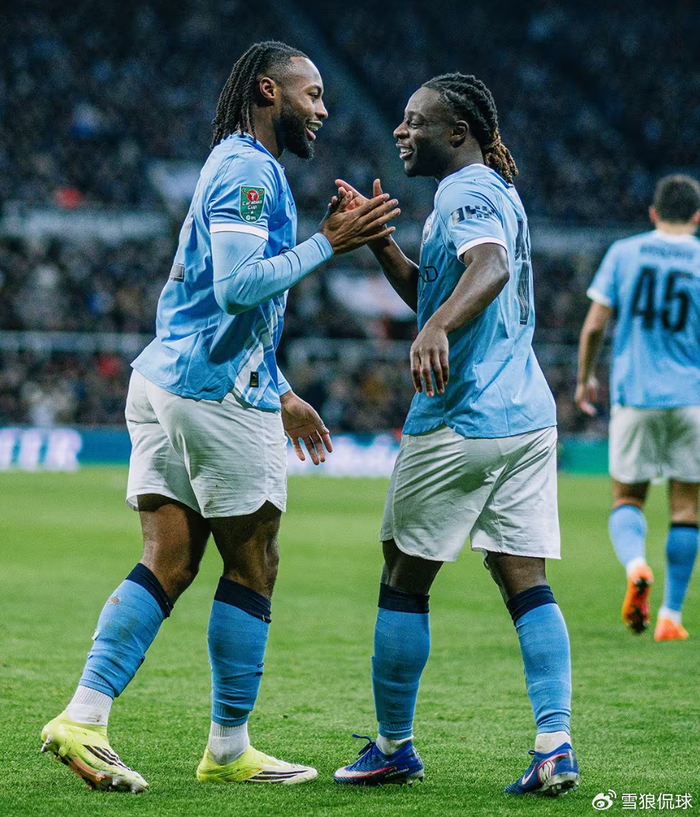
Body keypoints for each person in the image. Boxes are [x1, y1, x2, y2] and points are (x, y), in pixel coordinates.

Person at [40, 40, 400, 792]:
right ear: (268, 90)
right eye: (311, 94)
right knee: (254, 561)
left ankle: (83, 718)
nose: (323, 109)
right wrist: (329, 243)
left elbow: (225, 299)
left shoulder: (238, 165)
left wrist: (282, 388)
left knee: (169, 561)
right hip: (212, 395)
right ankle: (230, 748)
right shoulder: (248, 169)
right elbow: (238, 288)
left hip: (168, 380)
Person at [331, 73, 578, 796]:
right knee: (525, 576)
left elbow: (489, 268)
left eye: (415, 120)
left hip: (460, 417)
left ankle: (393, 746)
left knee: (403, 575)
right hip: (525, 417)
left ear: (457, 133)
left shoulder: (462, 190)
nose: (401, 131)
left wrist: (437, 328)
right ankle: (555, 743)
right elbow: (438, 291)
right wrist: (382, 245)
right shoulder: (496, 193)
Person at [576, 174, 700, 641]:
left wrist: (585, 378)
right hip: (691, 398)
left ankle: (636, 566)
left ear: (653, 213)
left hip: (636, 395)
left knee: (628, 499)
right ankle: (670, 616)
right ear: (697, 216)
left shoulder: (624, 253)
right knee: (686, 510)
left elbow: (594, 326)